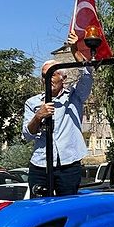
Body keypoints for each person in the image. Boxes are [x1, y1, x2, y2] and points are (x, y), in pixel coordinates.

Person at [23, 32, 91, 197]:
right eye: (44, 76)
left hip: (68, 164)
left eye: (52, 74)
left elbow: (87, 75)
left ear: (63, 77)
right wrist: (38, 116)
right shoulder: (33, 102)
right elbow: (27, 135)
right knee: (39, 209)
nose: (48, 79)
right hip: (40, 164)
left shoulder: (74, 97)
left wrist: (75, 49)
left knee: (67, 207)